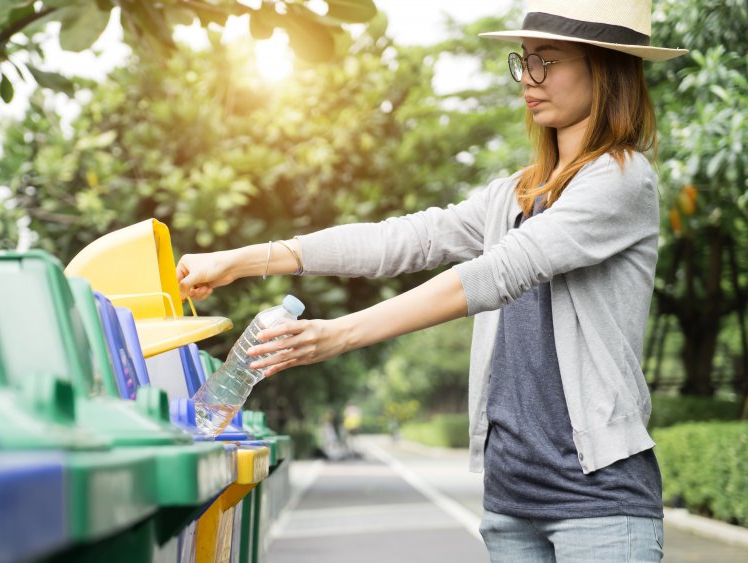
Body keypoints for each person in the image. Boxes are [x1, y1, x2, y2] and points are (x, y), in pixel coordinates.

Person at [176, 1, 686, 561]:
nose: (528, 79)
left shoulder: (622, 179)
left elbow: (499, 273)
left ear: (605, 69)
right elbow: (404, 240)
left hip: (599, 505)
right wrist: (243, 259)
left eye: (549, 62)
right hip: (511, 500)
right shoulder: (513, 194)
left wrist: (339, 334)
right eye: (525, 61)